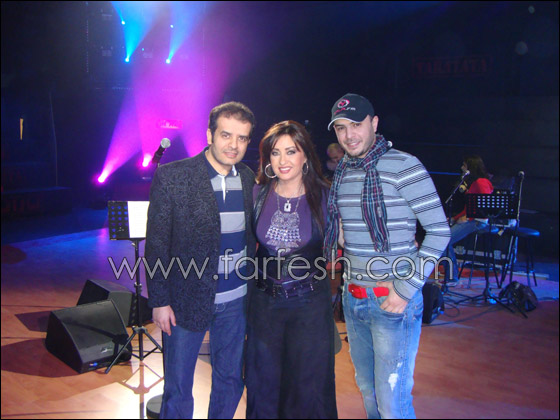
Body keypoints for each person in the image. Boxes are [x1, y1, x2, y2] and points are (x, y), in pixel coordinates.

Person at [323, 93, 450, 419]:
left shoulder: (405, 166)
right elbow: (347, 234)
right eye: (340, 128)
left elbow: (439, 231)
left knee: (392, 402)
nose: (349, 135)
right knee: (368, 392)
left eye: (356, 124)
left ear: (374, 123)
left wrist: (405, 290)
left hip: (393, 301)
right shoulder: (343, 172)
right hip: (354, 300)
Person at [144, 102, 257, 419]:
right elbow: (156, 245)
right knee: (178, 388)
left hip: (236, 301)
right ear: (210, 135)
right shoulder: (173, 176)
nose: (234, 145)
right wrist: (160, 301)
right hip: (184, 300)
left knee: (230, 380)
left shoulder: (248, 178)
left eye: (242, 138)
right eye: (226, 135)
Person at [245, 120, 338, 419]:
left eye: (291, 151)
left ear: (305, 155)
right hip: (264, 305)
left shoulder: (326, 196)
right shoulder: (257, 193)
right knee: (263, 385)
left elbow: (351, 240)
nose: (282, 160)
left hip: (309, 306)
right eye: (275, 153)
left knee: (307, 388)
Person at [443, 155, 494, 285]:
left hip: (477, 221)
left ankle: (452, 276)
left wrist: (467, 217)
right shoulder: (474, 182)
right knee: (442, 239)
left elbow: (484, 205)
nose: (462, 168)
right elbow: (469, 207)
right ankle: (451, 274)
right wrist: (455, 218)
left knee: (443, 241)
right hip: (471, 218)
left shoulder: (481, 182)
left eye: (464, 165)